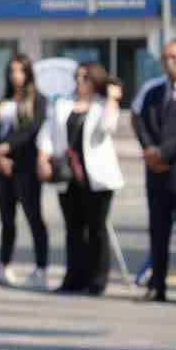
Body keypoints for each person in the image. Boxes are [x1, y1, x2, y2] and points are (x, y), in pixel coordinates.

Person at [38, 64, 124, 295]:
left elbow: (108, 127)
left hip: (97, 177)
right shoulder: (63, 103)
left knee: (96, 229)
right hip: (68, 175)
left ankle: (96, 280)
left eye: (85, 77)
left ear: (95, 80)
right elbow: (48, 132)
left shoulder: (101, 104)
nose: (80, 81)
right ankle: (73, 279)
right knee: (73, 229)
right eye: (77, 77)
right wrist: (43, 156)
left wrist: (112, 99)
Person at [130, 38, 176, 305]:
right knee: (157, 233)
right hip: (156, 175)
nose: (169, 63)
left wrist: (163, 153)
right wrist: (150, 151)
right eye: (166, 58)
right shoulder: (154, 92)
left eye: (175, 57)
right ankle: (156, 284)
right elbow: (141, 122)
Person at [0, 54, 51, 289]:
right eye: (12, 71)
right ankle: (3, 265)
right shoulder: (4, 100)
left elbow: (32, 130)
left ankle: (41, 268)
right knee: (6, 218)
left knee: (33, 216)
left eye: (20, 71)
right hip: (3, 166)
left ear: (28, 73)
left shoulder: (37, 100)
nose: (15, 76)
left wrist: (8, 147)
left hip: (26, 166)